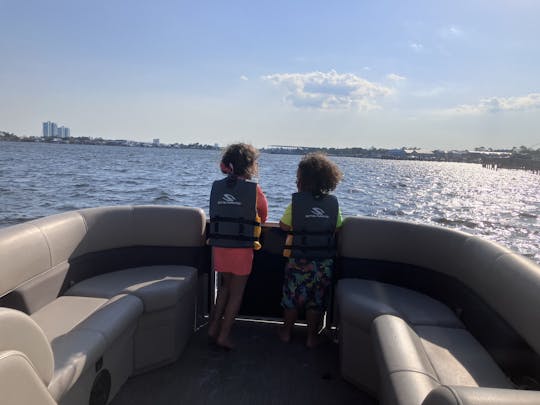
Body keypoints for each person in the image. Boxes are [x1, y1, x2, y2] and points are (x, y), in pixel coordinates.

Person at [278, 153, 343, 348]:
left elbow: (283, 225)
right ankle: (311, 337)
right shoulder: (333, 203)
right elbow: (337, 226)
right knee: (316, 301)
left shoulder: (296, 203)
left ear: (302, 180)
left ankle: (286, 332)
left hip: (298, 261)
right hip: (323, 263)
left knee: (291, 299)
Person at [207, 143, 268, 350]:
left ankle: (213, 327)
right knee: (237, 293)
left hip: (220, 246)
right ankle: (224, 335)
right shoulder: (254, 190)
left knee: (224, 287)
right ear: (250, 166)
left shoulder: (217, 186)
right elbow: (263, 214)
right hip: (242, 248)